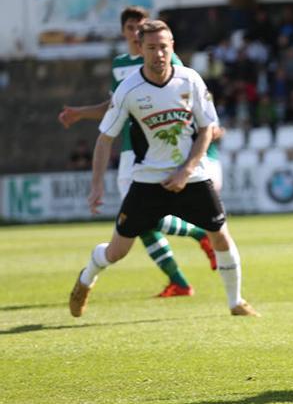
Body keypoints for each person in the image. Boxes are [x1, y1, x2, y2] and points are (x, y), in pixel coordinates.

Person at [68, 20, 259, 318]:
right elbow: (105, 139)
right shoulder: (129, 89)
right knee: (117, 252)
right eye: (152, 48)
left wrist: (187, 169)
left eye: (164, 47)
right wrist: (96, 186)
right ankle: (86, 278)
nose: (159, 54)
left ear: (172, 48)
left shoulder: (190, 79)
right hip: (147, 181)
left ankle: (236, 302)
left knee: (220, 235)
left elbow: (208, 128)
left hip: (191, 175)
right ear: (140, 49)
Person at [58, 6, 222, 298]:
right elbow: (113, 108)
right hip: (130, 152)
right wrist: (81, 113)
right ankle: (181, 278)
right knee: (139, 221)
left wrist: (208, 126)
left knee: (138, 220)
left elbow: (186, 96)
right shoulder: (121, 65)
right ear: (124, 32)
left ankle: (196, 243)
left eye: (141, 27)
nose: (136, 32)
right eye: (131, 27)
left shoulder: (166, 58)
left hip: (160, 153)